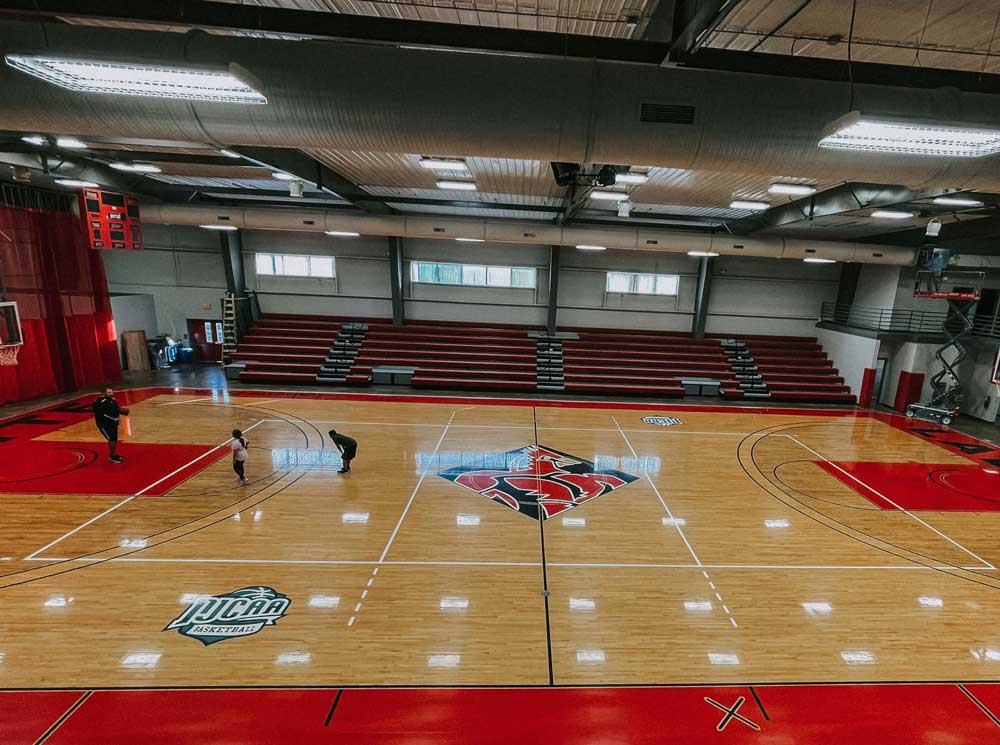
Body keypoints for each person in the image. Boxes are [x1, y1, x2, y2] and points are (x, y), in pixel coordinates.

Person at [92, 387, 125, 463]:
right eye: (109, 392)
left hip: (113, 423)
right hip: (104, 424)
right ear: (104, 393)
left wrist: (122, 411)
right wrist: (113, 418)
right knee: (111, 439)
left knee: (114, 438)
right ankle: (111, 457)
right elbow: (100, 414)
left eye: (112, 392)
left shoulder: (113, 400)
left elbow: (117, 409)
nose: (111, 394)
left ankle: (113, 454)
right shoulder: (99, 402)